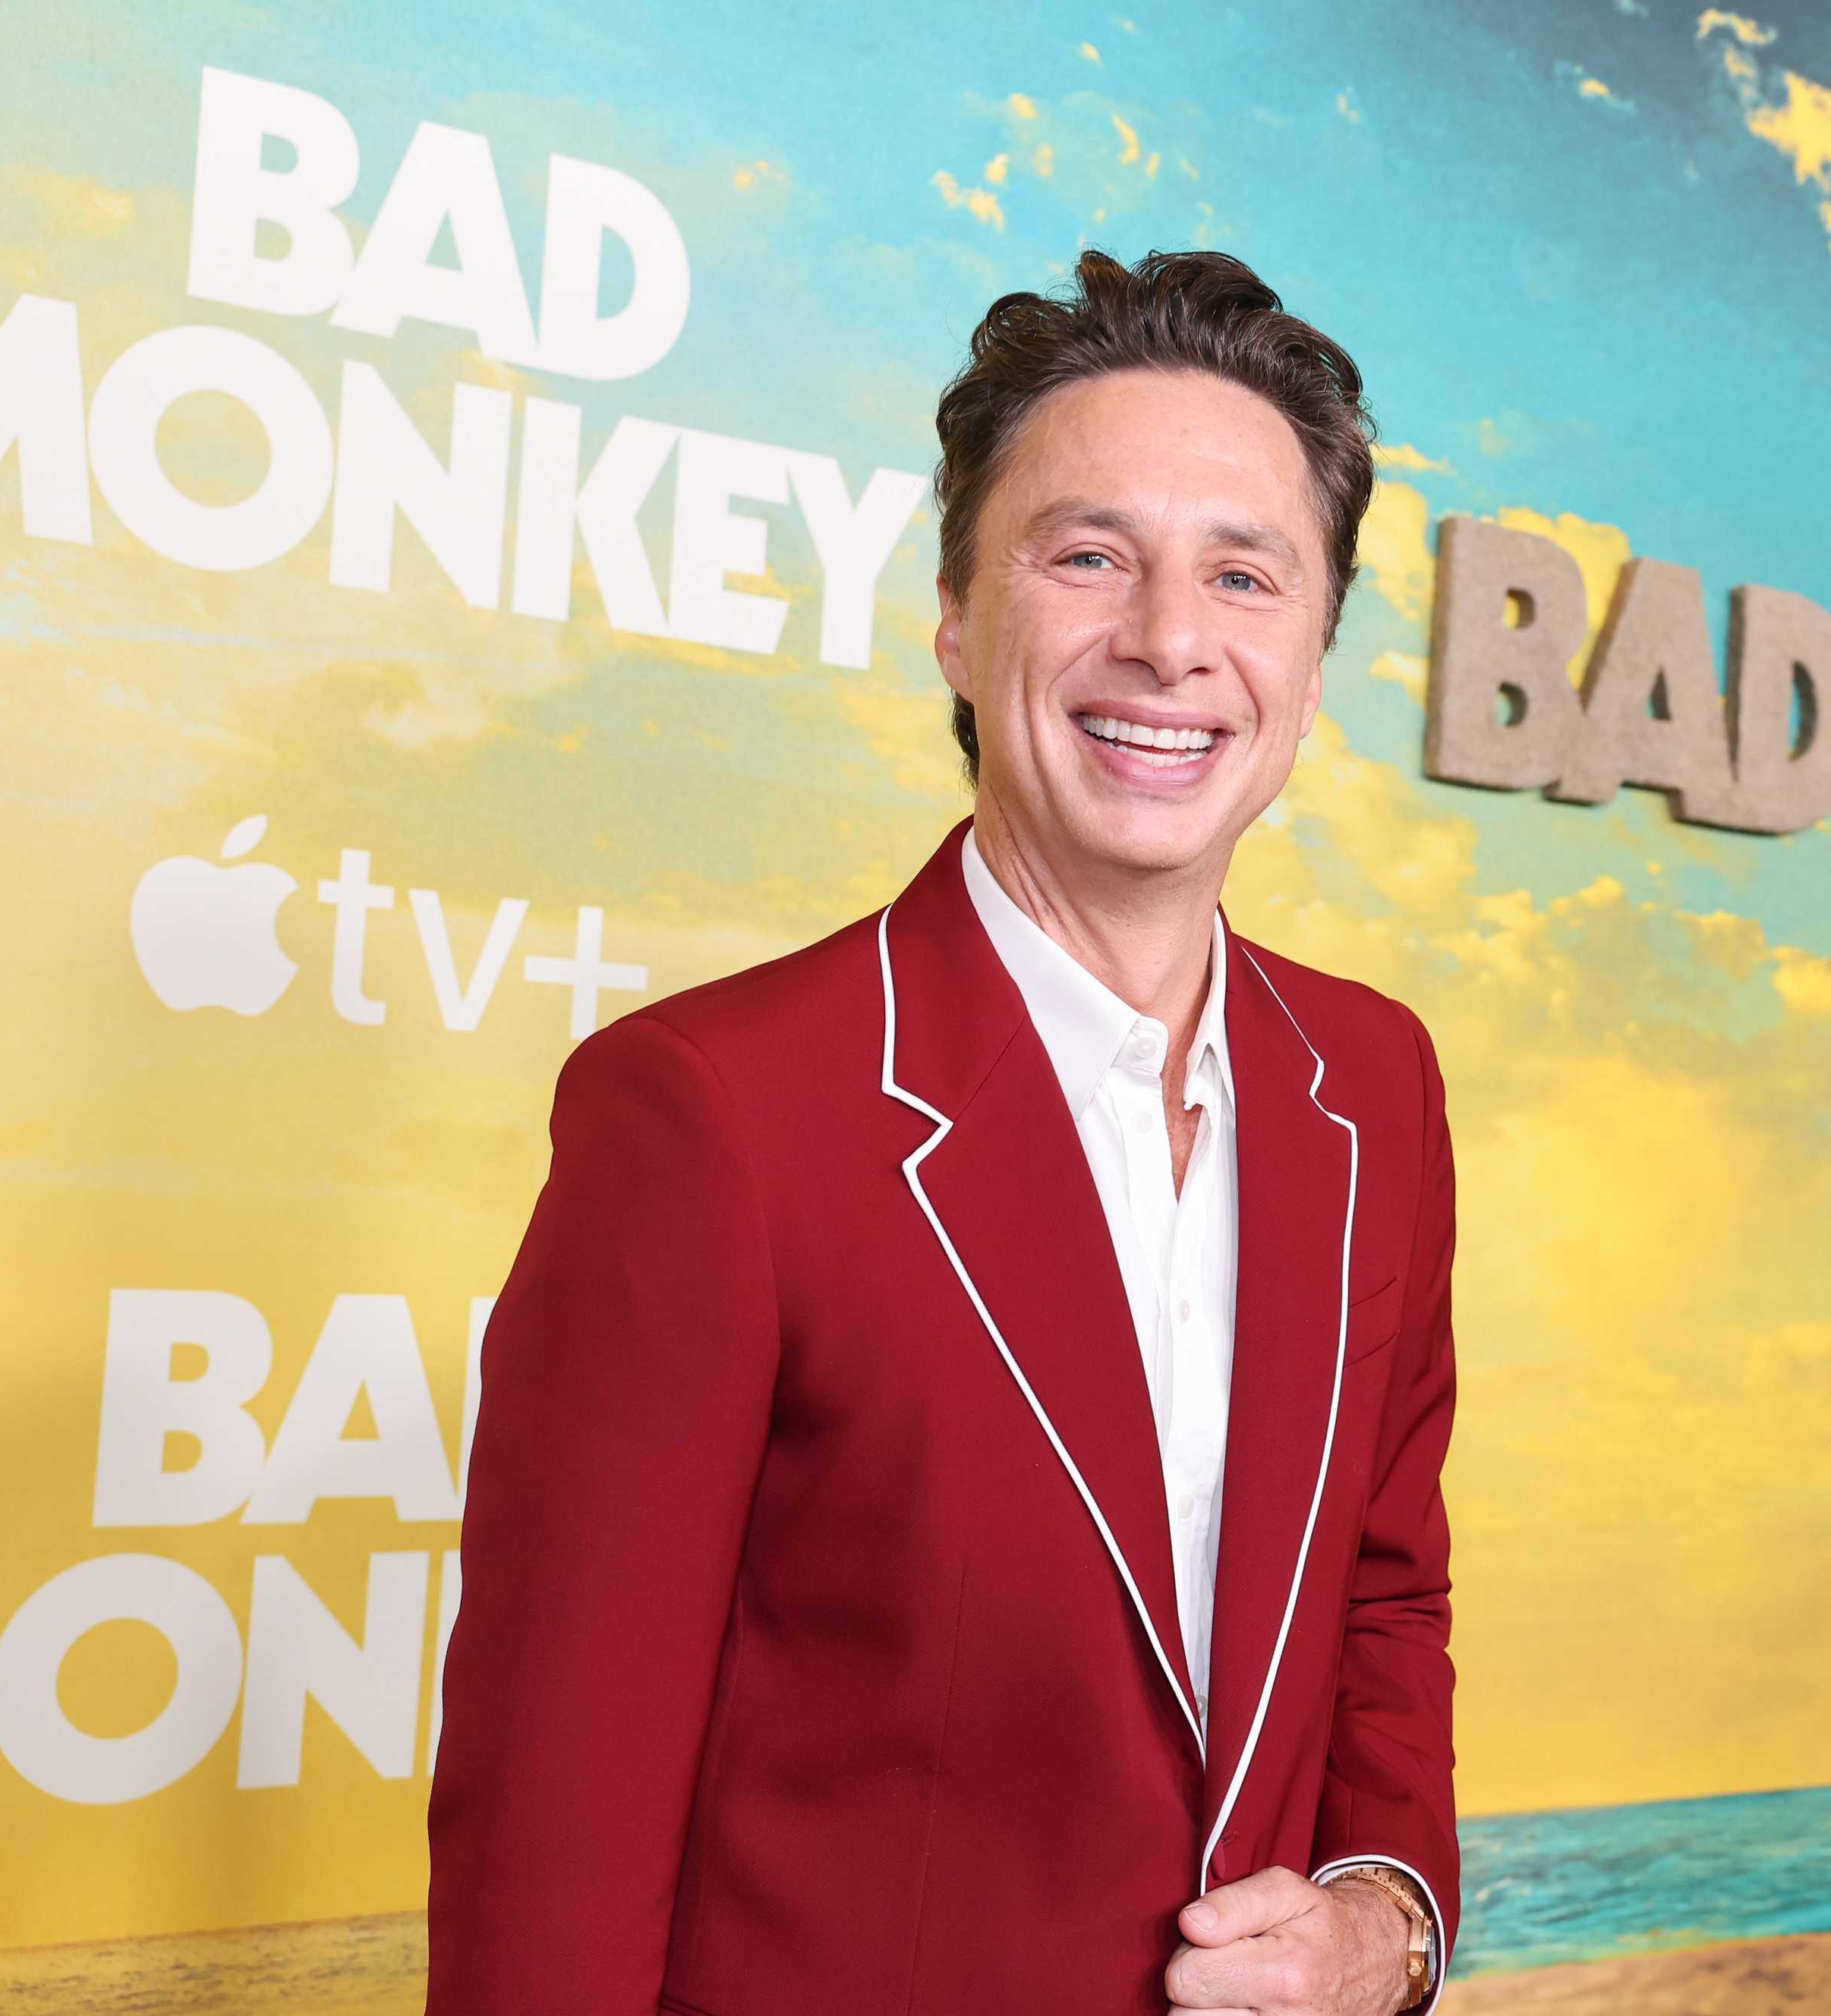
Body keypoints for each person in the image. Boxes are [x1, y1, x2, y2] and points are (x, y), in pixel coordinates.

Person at [424, 249, 1458, 2016]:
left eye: (1244, 572)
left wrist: (1387, 1915)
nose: (1169, 639)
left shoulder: (1375, 1085)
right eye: (1086, 556)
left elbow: (1381, 1593)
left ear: (1316, 648)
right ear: (959, 623)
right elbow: (554, 1846)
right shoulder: (711, 1115)